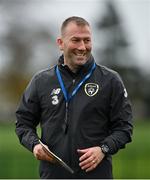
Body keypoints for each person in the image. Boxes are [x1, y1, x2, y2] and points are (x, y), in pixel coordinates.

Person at [15, 16, 133, 179]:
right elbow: (23, 123)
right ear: (60, 43)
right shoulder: (41, 81)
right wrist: (34, 145)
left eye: (87, 40)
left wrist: (103, 149)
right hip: (52, 175)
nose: (82, 47)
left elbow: (124, 128)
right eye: (76, 40)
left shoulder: (110, 80)